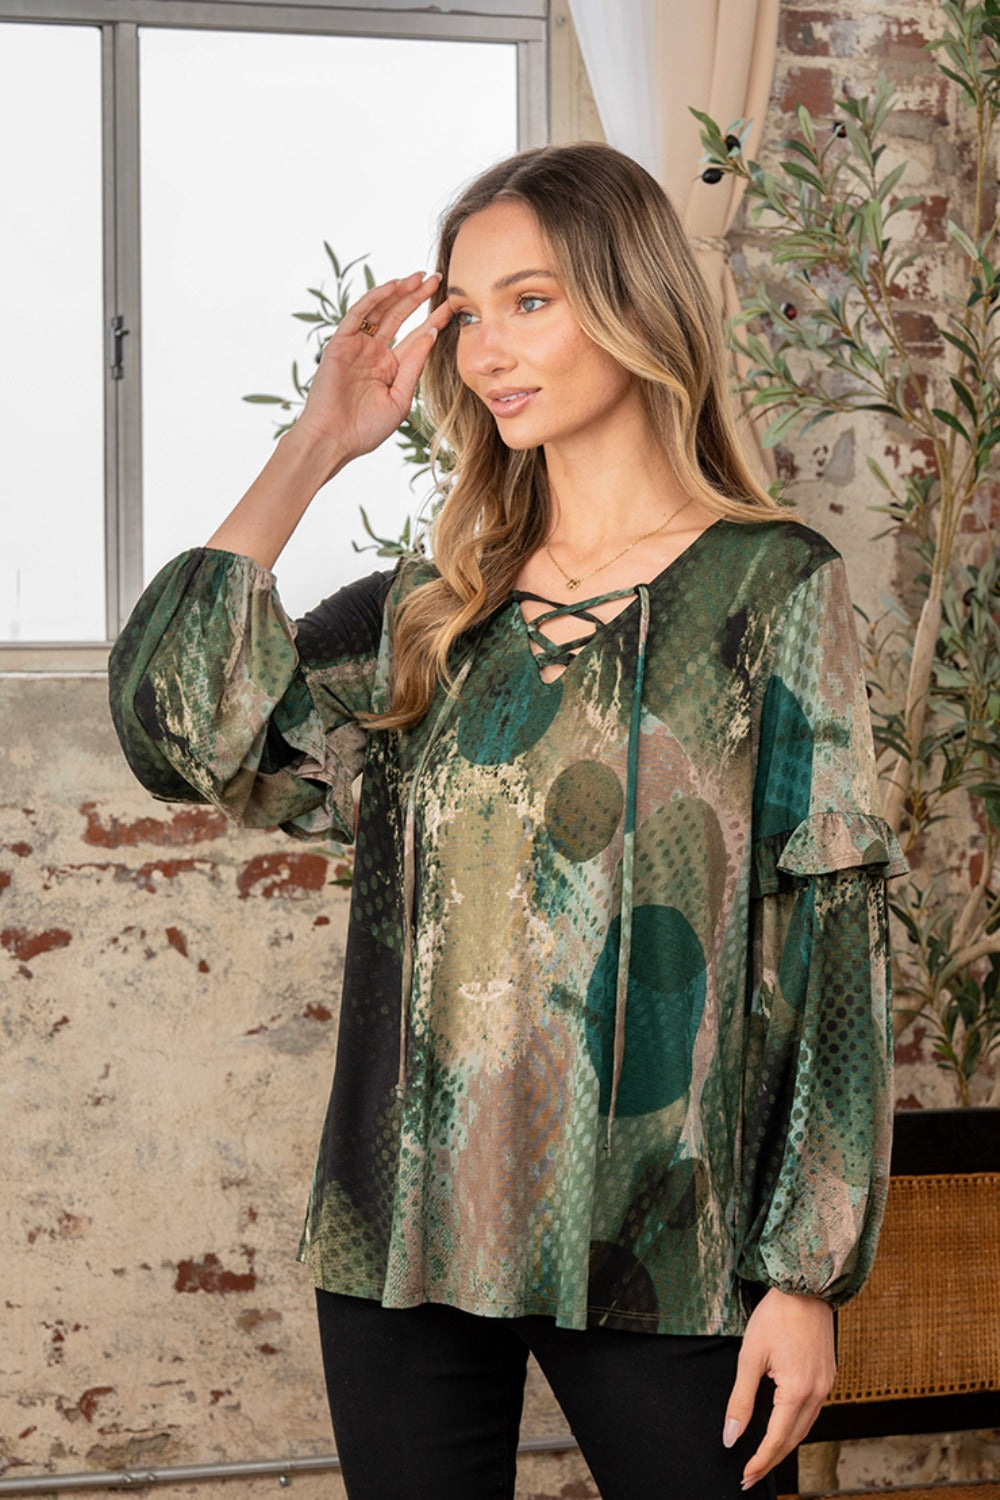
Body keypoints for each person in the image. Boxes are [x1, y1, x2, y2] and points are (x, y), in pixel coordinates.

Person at [109, 142, 906, 1499]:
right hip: (402, 1246)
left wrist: (805, 1277)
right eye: (467, 313)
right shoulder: (428, 613)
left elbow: (830, 945)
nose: (487, 350)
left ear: (634, 300)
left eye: (530, 301)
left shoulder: (772, 588)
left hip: (668, 1244)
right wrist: (315, 444)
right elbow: (181, 731)